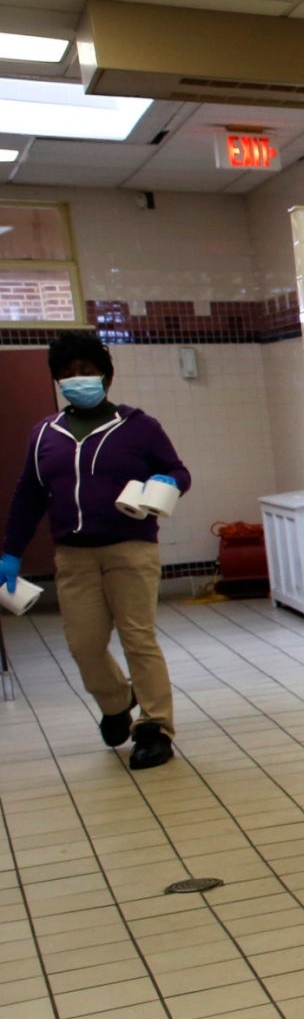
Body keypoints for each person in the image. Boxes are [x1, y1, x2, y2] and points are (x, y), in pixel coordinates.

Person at [1, 330, 191, 770]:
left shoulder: (139, 426)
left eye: (86, 371)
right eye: (67, 374)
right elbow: (28, 495)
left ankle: (155, 727)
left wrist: (169, 481)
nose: (77, 379)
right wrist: (10, 552)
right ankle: (116, 700)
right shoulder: (44, 433)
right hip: (73, 556)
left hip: (131, 549)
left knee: (137, 638)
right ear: (57, 381)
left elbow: (177, 471)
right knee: (84, 644)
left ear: (105, 376)